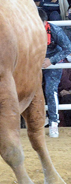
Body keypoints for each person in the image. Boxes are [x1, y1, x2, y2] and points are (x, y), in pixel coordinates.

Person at [38, 7, 71, 138]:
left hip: (52, 63)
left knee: (50, 90)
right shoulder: (27, 30)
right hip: (35, 62)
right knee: (30, 90)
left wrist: (51, 60)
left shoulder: (55, 30)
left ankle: (53, 122)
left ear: (44, 21)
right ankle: (33, 122)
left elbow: (68, 48)